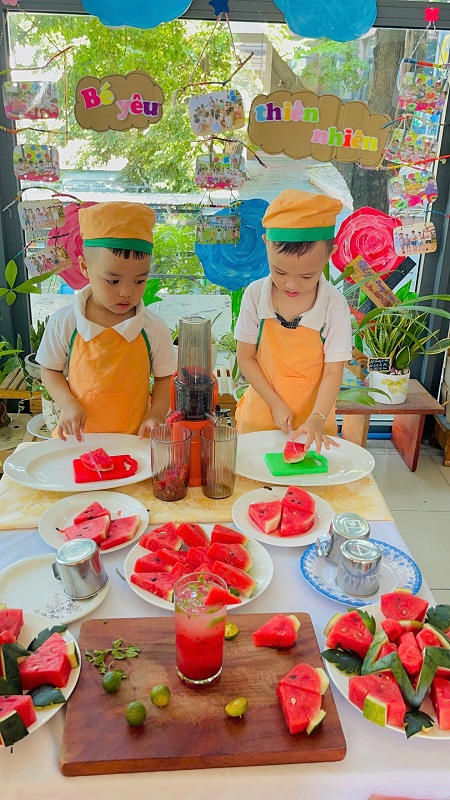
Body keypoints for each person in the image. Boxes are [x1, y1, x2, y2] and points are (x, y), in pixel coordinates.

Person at [37, 201, 177, 441]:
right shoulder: (65, 322)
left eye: (139, 281)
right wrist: (67, 403)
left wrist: (156, 415)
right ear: (85, 267)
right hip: (79, 442)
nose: (126, 292)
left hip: (135, 441)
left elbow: (165, 378)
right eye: (113, 281)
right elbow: (50, 369)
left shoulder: (153, 328)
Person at [234, 190, 352, 453]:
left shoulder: (334, 305)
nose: (291, 285)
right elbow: (245, 357)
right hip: (260, 415)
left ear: (329, 254)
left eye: (307, 276)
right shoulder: (255, 295)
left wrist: (317, 418)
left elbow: (333, 371)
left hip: (315, 423)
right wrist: (275, 404)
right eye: (280, 271)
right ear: (266, 244)